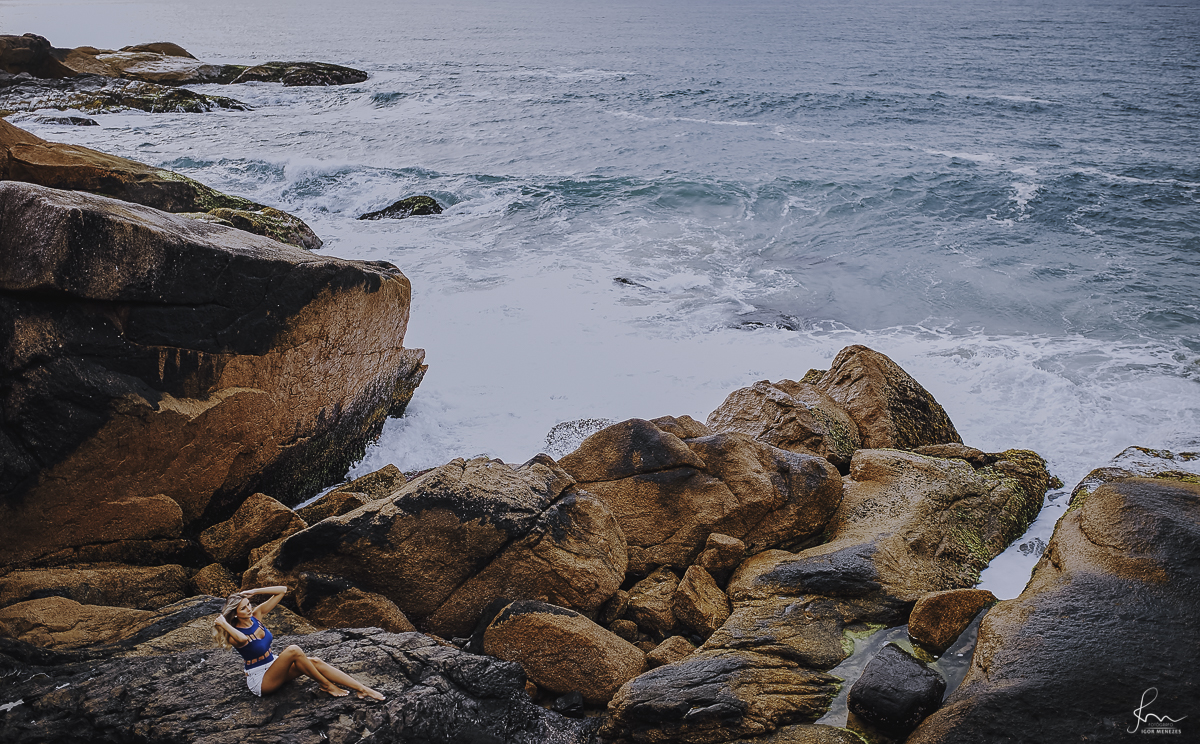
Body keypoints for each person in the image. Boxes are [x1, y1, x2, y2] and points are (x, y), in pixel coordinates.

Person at [212, 585, 385, 700]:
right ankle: (327, 685)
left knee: (315, 661)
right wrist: (223, 624)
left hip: (273, 665)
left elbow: (282, 590)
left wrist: (255, 591)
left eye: (249, 604)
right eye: (243, 608)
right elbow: (243, 639)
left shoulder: (256, 615)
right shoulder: (234, 633)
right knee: (293, 650)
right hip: (261, 679)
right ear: (235, 614)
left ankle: (363, 689)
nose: (249, 609)